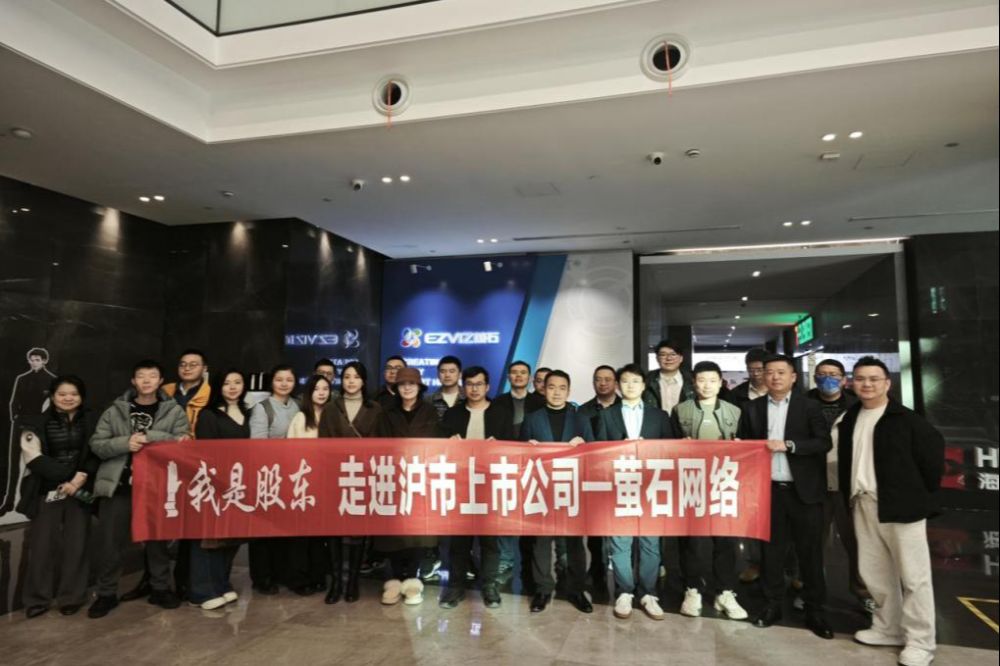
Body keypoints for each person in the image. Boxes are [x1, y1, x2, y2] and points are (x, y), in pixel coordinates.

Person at [835, 357, 944, 666]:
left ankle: (921, 642)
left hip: (902, 507)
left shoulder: (907, 420)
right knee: (875, 573)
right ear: (852, 383)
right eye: (860, 379)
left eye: (873, 379)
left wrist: (914, 494)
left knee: (914, 577)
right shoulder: (851, 417)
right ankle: (888, 628)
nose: (866, 384)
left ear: (887, 383)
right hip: (863, 503)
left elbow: (932, 463)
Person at [737, 354, 834, 639]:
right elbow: (745, 443)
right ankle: (772, 605)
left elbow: (823, 442)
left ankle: (815, 610)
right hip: (768, 491)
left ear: (793, 377)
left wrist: (789, 445)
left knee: (810, 553)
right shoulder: (752, 408)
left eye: (781, 372)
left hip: (803, 492)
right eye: (769, 372)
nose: (775, 377)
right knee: (771, 554)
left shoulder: (809, 406)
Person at [87, 359, 190, 619]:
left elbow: (182, 442)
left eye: (152, 376)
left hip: (157, 487)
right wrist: (125, 443)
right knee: (111, 544)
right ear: (133, 381)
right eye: (141, 376)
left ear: (160, 381)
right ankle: (106, 593)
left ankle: (160, 588)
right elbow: (97, 444)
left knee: (158, 542)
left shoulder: (174, 410)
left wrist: (150, 437)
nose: (146, 380)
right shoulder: (115, 410)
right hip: (119, 486)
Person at [595, 364, 672, 621]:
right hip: (620, 485)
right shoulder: (607, 415)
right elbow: (599, 452)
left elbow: (671, 451)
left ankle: (648, 592)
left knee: (651, 543)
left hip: (651, 485)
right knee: (620, 542)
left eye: (635, 381)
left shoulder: (659, 416)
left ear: (643, 385)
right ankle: (624, 591)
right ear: (618, 386)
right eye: (625, 381)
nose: (630, 386)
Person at [671, 361, 748, 621]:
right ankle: (692, 588)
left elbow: (747, 446)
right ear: (694, 382)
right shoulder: (680, 410)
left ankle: (724, 591)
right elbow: (667, 447)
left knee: (725, 539)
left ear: (720, 383)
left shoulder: (734, 411)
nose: (706, 385)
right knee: (692, 539)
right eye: (701, 380)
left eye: (712, 380)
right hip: (691, 482)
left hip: (723, 481)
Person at [17, 375, 98, 618]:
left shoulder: (92, 420)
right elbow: (34, 457)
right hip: (47, 490)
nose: (68, 398)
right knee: (41, 547)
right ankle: (37, 599)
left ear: (81, 397)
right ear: (52, 397)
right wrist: (69, 478)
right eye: (62, 394)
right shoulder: (36, 422)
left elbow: (96, 451)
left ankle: (72, 597)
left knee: (77, 545)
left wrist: (78, 481)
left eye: (73, 394)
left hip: (80, 492)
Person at [438, 366, 512, 610]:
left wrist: (500, 446)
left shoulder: (501, 413)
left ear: (487, 387)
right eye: (469, 384)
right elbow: (439, 447)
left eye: (479, 384)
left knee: (490, 540)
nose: (474, 389)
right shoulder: (453, 414)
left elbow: (514, 446)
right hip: (461, 484)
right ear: (463, 387)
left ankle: (489, 586)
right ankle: (455, 587)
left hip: (490, 484)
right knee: (459, 541)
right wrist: (448, 443)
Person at [521, 369, 593, 614]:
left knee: (574, 543)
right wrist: (527, 448)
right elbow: (519, 456)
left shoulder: (581, 419)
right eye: (551, 387)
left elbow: (594, 453)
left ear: (569, 391)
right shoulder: (532, 419)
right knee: (541, 542)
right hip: (542, 489)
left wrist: (584, 446)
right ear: (544, 389)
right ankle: (543, 589)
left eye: (562, 388)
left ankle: (576, 589)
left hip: (571, 488)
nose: (556, 392)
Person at [807, 358, 872, 611]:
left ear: (844, 380)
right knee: (813, 542)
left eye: (833, 374)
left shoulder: (858, 405)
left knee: (857, 541)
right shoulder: (803, 403)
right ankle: (811, 591)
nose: (828, 378)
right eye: (822, 374)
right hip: (814, 482)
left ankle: (863, 591)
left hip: (849, 482)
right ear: (815, 378)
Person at [319, 361, 385, 603]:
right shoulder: (331, 408)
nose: (351, 381)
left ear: (363, 381)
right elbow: (323, 443)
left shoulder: (375, 409)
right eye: (347, 376)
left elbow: (380, 444)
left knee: (359, 530)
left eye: (356, 377)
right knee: (334, 530)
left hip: (363, 475)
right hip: (336, 474)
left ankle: (353, 582)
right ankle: (336, 583)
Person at [188, 369, 250, 610]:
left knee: (231, 537)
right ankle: (201, 591)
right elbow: (206, 453)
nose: (232, 387)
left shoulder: (248, 412)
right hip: (214, 485)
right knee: (209, 539)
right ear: (217, 386)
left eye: (237, 382)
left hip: (239, 485)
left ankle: (222, 583)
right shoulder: (208, 415)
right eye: (226, 383)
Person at [377, 367, 440, 606]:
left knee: (418, 532)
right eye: (402, 384)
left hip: (421, 479)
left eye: (412, 384)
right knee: (393, 532)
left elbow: (437, 445)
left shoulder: (430, 411)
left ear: (419, 387)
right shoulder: (385, 413)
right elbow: (378, 445)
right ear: (396, 388)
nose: (407, 388)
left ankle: (413, 579)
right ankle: (394, 579)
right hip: (393, 478)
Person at [160, 348, 211, 600]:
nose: (187, 368)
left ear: (204, 369)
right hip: (162, 465)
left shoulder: (210, 394)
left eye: (194, 364)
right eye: (183, 364)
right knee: (159, 525)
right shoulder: (164, 392)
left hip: (195, 468)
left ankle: (184, 580)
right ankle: (155, 581)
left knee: (191, 527)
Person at [247, 364, 301, 595]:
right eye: (279, 379)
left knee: (285, 529)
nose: (284, 384)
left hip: (292, 476)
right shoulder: (262, 408)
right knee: (263, 530)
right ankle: (262, 577)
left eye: (289, 379)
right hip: (267, 476)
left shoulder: (297, 405)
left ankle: (281, 573)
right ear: (272, 382)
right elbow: (258, 445)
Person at [491, 360, 546, 583]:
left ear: (530, 377)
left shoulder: (539, 402)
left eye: (523, 372)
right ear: (508, 377)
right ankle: (506, 560)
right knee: (505, 513)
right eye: (514, 372)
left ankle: (531, 562)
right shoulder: (497, 402)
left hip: (533, 466)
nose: (519, 376)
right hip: (505, 465)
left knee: (531, 513)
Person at [284, 374, 333, 595]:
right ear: (309, 393)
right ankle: (299, 578)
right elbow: (290, 452)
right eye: (316, 389)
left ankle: (318, 576)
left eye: (325, 389)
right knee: (301, 534)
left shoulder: (333, 416)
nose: (321, 393)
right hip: (303, 483)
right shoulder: (300, 417)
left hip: (326, 483)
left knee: (320, 534)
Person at [575, 364, 620, 596]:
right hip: (593, 476)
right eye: (598, 379)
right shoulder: (583, 411)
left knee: (621, 528)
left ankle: (624, 575)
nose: (602, 383)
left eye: (607, 379)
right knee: (595, 528)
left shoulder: (626, 407)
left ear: (616, 383)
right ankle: (598, 569)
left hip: (623, 475)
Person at [3, 347, 56, 516]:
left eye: (37, 360)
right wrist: (15, 417)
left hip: (36, 425)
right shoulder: (22, 378)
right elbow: (13, 401)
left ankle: (29, 503)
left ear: (44, 361)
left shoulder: (52, 380)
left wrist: (41, 421)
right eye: (32, 360)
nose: (34, 363)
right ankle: (9, 502)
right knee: (13, 463)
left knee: (33, 464)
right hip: (19, 423)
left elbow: (54, 405)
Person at [642, 339, 695, 416]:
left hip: (684, 423)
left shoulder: (692, 381)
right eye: (663, 355)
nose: (669, 358)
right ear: (657, 358)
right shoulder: (647, 380)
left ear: (681, 358)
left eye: (673, 354)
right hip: (655, 422)